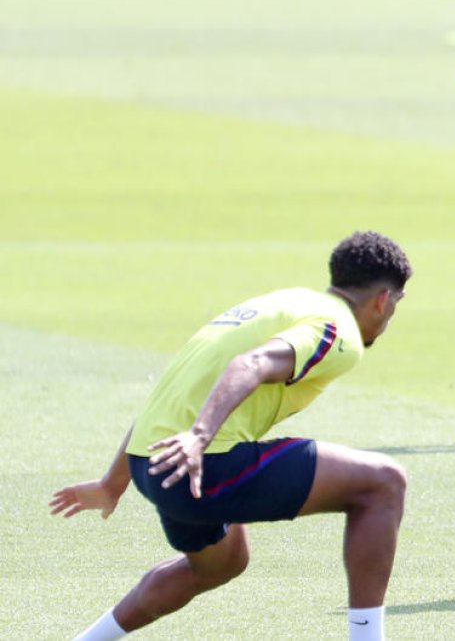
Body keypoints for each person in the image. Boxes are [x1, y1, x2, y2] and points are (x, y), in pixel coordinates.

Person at [50, 231, 413, 641]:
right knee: (384, 483)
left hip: (151, 463)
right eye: (396, 304)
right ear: (382, 299)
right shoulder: (339, 330)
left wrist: (112, 484)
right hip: (197, 464)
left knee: (224, 562)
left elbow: (175, 394)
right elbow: (252, 363)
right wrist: (199, 437)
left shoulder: (283, 302)